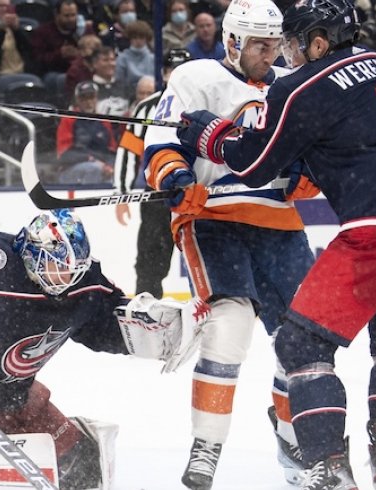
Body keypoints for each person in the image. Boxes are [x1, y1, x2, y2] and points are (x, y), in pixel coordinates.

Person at [173, 0, 376, 487]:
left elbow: (251, 162)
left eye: (292, 42)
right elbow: (349, 140)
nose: (285, 54)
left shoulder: (303, 83)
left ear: (318, 41)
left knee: (300, 343)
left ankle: (329, 468)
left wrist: (210, 134)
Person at [0, 208, 206, 489]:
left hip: (16, 401)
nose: (66, 278)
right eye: (57, 266)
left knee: (82, 465)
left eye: (74, 269)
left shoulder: (83, 285)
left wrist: (164, 331)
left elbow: (107, 325)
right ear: (32, 253)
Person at [143, 0, 317, 487]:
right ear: (233, 41)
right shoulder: (195, 77)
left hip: (279, 224)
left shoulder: (290, 85)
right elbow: (161, 143)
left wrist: (307, 177)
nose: (271, 53)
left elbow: (308, 160)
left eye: (275, 44)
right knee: (229, 325)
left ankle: (292, 435)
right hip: (214, 217)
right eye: (260, 44)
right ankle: (206, 447)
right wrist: (175, 174)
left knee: (300, 339)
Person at [113, 48, 190, 298]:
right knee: (150, 260)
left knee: (205, 257)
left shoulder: (206, 101)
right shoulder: (147, 107)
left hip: (197, 195)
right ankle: (145, 311)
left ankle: (211, 313)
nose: (177, 77)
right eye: (172, 71)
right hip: (157, 196)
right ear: (164, 73)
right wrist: (122, 192)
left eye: (183, 71)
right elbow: (128, 150)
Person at [55, 80, 117, 184]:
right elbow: (64, 155)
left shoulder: (104, 121)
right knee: (93, 169)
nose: (88, 102)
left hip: (102, 167)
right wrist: (90, 159)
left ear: (96, 98)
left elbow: (112, 151)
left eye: (91, 97)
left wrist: (110, 166)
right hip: (73, 168)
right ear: (77, 100)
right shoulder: (69, 119)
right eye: (84, 98)